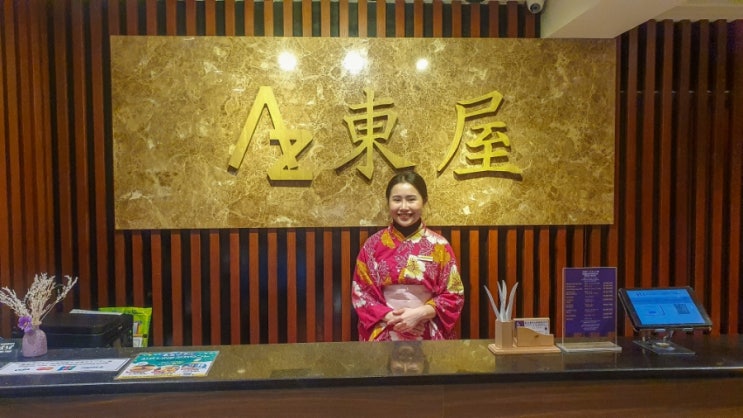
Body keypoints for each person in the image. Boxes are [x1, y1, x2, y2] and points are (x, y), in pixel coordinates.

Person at [352, 171, 465, 341]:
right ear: (388, 202)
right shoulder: (372, 245)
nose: (404, 207)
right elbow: (361, 292)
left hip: (426, 328)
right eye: (397, 200)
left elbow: (454, 294)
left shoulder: (440, 246)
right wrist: (393, 319)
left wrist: (419, 314)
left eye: (411, 199)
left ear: (424, 201)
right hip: (384, 327)